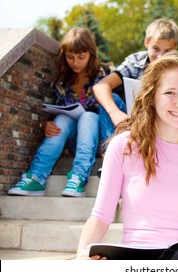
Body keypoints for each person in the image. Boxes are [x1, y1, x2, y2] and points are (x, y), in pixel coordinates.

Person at [76, 52, 178, 260]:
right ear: (152, 96)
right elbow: (100, 217)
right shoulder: (123, 146)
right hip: (135, 257)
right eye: (170, 93)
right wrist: (82, 253)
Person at [8, 27, 116, 197]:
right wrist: (47, 124)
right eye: (70, 57)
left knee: (88, 117)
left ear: (91, 54)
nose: (76, 62)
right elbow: (59, 109)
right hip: (76, 140)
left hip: (103, 140)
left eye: (81, 57)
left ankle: (78, 177)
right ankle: (36, 178)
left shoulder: (106, 75)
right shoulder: (62, 83)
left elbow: (118, 106)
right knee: (62, 120)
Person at [93, 17, 178, 130]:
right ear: (146, 42)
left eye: (167, 51)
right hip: (133, 121)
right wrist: (115, 113)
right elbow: (101, 86)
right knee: (111, 98)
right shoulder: (136, 62)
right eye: (156, 49)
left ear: (175, 47)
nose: (160, 56)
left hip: (164, 122)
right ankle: (113, 145)